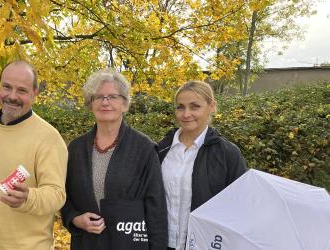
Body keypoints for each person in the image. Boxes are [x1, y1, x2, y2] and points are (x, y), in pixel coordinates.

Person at [0, 60, 68, 249]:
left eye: (22, 90)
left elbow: (56, 194)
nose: (12, 96)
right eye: (7, 87)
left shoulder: (49, 138)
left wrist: (28, 198)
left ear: (34, 94)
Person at [61, 69, 167, 249]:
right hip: (87, 243)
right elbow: (63, 195)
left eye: (112, 96)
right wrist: (75, 219)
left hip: (128, 243)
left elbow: (155, 207)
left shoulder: (144, 149)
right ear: (91, 103)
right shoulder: (76, 148)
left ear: (125, 104)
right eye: (98, 97)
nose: (105, 102)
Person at [157, 80, 247, 250]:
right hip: (162, 243)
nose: (186, 114)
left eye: (195, 106)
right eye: (180, 107)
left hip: (204, 244)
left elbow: (239, 207)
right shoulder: (161, 150)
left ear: (211, 106)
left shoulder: (227, 153)